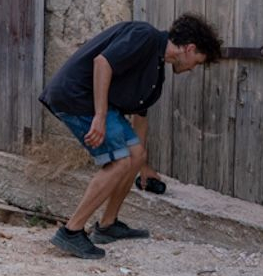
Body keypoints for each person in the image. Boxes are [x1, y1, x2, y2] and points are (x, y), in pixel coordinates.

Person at [37, 14, 222, 259]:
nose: (193, 69)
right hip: (76, 97)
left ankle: (107, 225)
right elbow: (102, 63)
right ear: (189, 49)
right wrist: (100, 117)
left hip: (92, 103)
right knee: (118, 162)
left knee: (134, 155)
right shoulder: (144, 36)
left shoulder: (155, 71)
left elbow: (140, 117)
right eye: (197, 62)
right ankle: (71, 232)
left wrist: (143, 165)